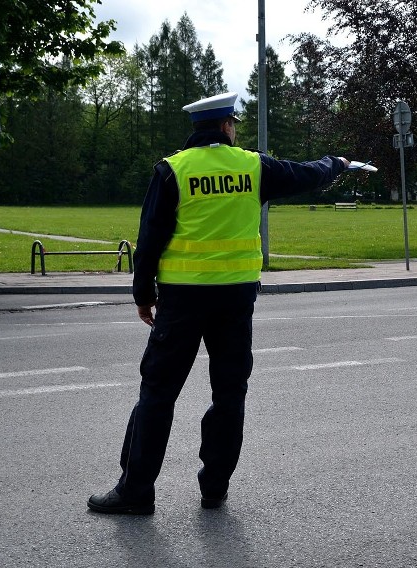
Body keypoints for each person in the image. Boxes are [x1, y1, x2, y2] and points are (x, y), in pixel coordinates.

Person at [87, 92, 349, 515]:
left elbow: (149, 238)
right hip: (235, 299)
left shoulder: (172, 170)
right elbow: (306, 175)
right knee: (229, 393)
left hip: (182, 300)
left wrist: (142, 295)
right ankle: (214, 488)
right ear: (227, 126)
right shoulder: (254, 166)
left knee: (157, 393)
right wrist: (335, 163)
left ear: (198, 127)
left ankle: (136, 491)